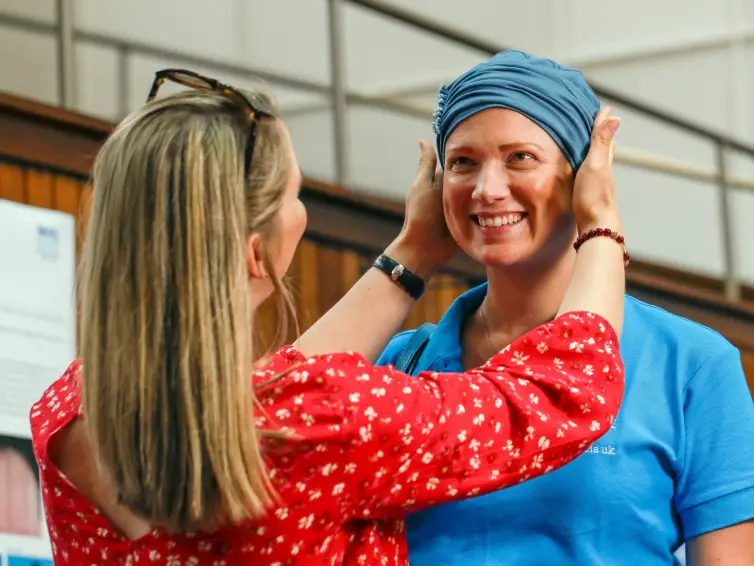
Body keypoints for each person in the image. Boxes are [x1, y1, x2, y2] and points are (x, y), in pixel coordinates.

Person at [30, 68, 627, 566]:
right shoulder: (322, 420)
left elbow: (276, 392)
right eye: (296, 194)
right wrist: (600, 223)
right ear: (254, 251)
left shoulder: (65, 412)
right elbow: (562, 390)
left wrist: (412, 253)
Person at [377, 49, 754, 565]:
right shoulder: (399, 363)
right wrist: (410, 249)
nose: (487, 190)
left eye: (520, 158)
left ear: (582, 177)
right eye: (463, 162)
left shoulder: (690, 364)